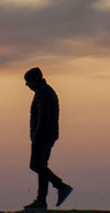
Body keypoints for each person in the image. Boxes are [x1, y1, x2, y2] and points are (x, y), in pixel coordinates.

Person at [22, 67, 73, 210]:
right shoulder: (44, 92)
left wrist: (36, 135)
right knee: (42, 167)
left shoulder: (43, 94)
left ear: (35, 80)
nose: (26, 84)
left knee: (36, 165)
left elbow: (44, 117)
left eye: (28, 81)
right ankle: (41, 201)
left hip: (43, 136)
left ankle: (61, 186)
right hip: (48, 135)